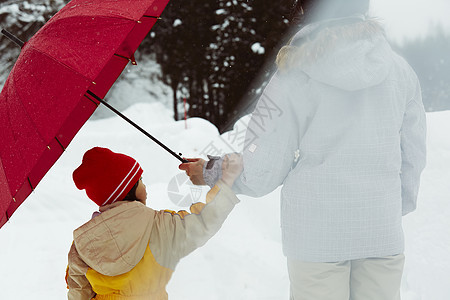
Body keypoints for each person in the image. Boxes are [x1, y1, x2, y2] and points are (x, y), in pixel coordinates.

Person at [179, 0, 427, 299]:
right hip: (381, 232)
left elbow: (262, 171)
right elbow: (413, 156)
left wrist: (212, 171)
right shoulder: (400, 71)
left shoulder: (293, 75)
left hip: (316, 236)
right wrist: (388, 208)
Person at [65, 147, 242, 300]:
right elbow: (203, 222)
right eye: (140, 181)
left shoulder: (81, 245)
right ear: (128, 190)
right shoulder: (158, 225)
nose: (145, 187)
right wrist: (225, 183)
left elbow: (78, 291)